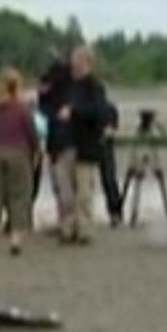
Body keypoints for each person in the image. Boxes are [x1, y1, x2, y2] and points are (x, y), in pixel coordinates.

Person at [0, 67, 40, 256]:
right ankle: (15, 239)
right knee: (19, 197)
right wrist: (36, 152)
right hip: (18, 153)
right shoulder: (21, 108)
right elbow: (32, 133)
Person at [51, 46, 109, 245]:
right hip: (63, 145)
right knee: (65, 192)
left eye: (77, 59)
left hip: (85, 147)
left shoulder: (95, 87)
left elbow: (100, 113)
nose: (73, 63)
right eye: (73, 59)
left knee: (84, 192)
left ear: (87, 62)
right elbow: (49, 103)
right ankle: (66, 228)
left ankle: (84, 229)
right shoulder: (63, 86)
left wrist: (74, 111)